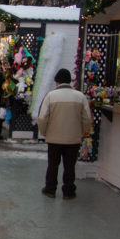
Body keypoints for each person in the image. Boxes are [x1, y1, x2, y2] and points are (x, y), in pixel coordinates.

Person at [37, 68, 93, 199]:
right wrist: (81, 132)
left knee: (53, 165)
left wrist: (45, 132)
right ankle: (68, 191)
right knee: (70, 166)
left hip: (54, 138)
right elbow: (87, 119)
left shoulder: (50, 96)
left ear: (57, 82)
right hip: (73, 139)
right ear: (70, 81)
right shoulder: (80, 97)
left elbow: (42, 118)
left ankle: (50, 189)